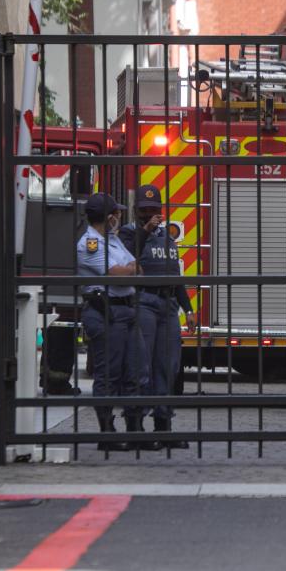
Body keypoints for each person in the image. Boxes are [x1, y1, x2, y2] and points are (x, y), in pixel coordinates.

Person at [119, 185, 196, 450]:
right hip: (144, 302)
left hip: (168, 305)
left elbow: (175, 274)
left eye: (154, 209)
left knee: (168, 367)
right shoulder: (129, 233)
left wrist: (188, 309)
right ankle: (135, 427)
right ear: (135, 210)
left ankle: (164, 426)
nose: (149, 214)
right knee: (140, 367)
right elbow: (129, 256)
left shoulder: (167, 236)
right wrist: (146, 230)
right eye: (144, 210)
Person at [77, 193, 143, 452]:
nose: (119, 217)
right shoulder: (90, 244)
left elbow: (137, 269)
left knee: (134, 372)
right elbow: (117, 275)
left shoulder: (112, 240)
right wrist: (130, 269)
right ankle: (107, 433)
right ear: (108, 217)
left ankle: (134, 429)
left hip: (126, 310)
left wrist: (130, 269)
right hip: (106, 313)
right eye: (116, 213)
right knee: (109, 374)